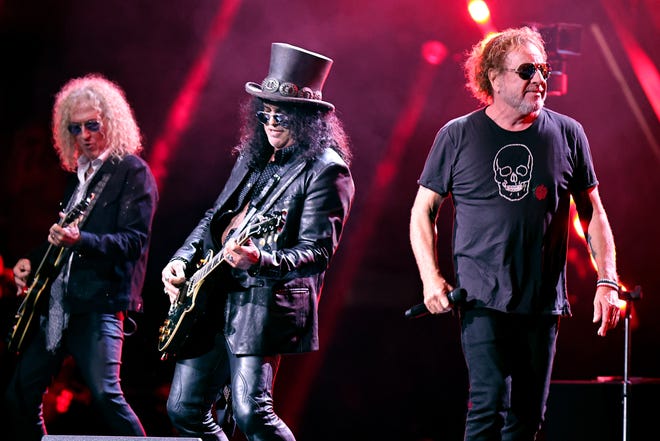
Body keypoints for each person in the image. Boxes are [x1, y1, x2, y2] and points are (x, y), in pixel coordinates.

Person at [409, 27, 621, 441]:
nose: (540, 79)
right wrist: (430, 279)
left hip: (542, 303)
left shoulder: (568, 134)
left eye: (543, 69)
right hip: (481, 299)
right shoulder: (458, 135)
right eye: (527, 70)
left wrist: (607, 279)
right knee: (488, 409)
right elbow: (423, 211)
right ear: (494, 77)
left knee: (528, 419)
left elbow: (593, 213)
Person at [161, 42, 354, 441]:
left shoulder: (327, 171)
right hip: (211, 295)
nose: (270, 121)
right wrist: (180, 259)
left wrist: (260, 259)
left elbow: (318, 252)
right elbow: (213, 220)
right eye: (264, 112)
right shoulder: (253, 157)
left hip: (264, 304)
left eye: (280, 113)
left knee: (252, 414)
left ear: (306, 117)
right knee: (183, 409)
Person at [5, 73, 158, 440]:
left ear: (111, 121)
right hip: (59, 305)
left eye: (92, 125)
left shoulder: (131, 171)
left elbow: (134, 241)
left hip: (99, 304)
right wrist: (30, 259)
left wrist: (81, 240)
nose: (85, 135)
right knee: (20, 395)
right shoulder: (79, 178)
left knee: (106, 395)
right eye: (75, 129)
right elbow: (64, 240)